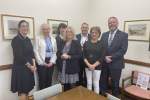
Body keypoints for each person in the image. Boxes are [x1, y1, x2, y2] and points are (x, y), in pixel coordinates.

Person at [100, 17, 128, 97]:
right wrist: (104, 57)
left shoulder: (123, 35)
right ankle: (102, 96)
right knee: (103, 82)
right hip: (104, 64)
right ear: (108, 24)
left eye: (113, 22)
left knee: (115, 84)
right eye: (110, 23)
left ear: (117, 23)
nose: (112, 24)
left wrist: (111, 57)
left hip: (116, 64)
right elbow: (101, 48)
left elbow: (123, 50)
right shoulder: (104, 35)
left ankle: (114, 98)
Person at [11, 20, 36, 100]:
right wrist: (30, 66)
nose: (25, 28)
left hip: (29, 67)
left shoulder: (27, 39)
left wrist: (34, 65)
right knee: (24, 91)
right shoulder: (16, 39)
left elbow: (32, 53)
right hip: (21, 68)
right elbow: (19, 56)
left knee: (27, 89)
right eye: (23, 26)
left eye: (27, 26)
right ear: (19, 28)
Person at [57, 26, 81, 91]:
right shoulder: (62, 42)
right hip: (63, 68)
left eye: (71, 32)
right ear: (65, 33)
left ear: (73, 33)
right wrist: (62, 56)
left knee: (72, 87)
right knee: (64, 87)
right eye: (67, 32)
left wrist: (69, 57)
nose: (69, 33)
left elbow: (79, 56)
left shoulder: (76, 43)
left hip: (72, 69)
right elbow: (58, 54)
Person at [33, 23, 57, 90]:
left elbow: (55, 51)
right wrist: (41, 62)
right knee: (42, 79)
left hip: (50, 61)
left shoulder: (53, 39)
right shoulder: (38, 38)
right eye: (44, 29)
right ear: (42, 30)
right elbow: (35, 51)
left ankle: (48, 95)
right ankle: (42, 96)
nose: (46, 31)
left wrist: (52, 61)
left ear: (49, 30)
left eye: (47, 29)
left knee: (49, 79)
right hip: (41, 61)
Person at [82, 26, 105, 94]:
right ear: (90, 33)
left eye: (96, 33)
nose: (94, 34)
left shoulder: (101, 44)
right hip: (87, 66)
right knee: (89, 82)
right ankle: (89, 97)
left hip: (97, 67)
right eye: (92, 32)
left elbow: (102, 56)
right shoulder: (86, 43)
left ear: (99, 34)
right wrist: (89, 65)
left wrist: (93, 66)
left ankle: (95, 98)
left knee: (96, 83)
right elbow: (83, 55)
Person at [76, 23, 91, 87]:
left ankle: (86, 87)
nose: (84, 29)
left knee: (87, 74)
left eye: (86, 27)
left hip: (88, 58)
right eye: (83, 27)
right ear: (81, 28)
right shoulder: (76, 36)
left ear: (88, 29)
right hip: (79, 58)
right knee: (79, 73)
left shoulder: (91, 36)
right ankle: (79, 86)